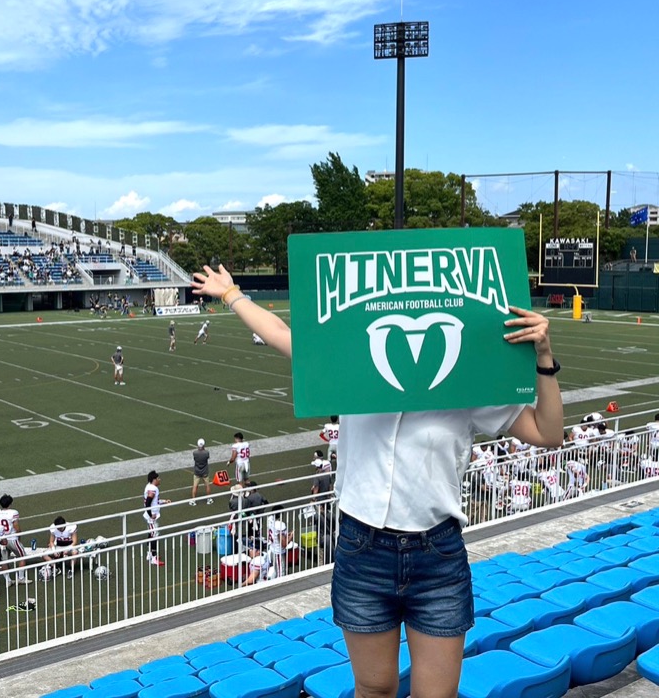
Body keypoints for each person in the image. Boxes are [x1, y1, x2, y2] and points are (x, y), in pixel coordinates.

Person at [191, 263, 564, 698]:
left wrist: (543, 358)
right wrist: (231, 293)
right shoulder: (352, 369)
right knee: (373, 689)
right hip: (362, 547)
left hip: (437, 553)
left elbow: (548, 432)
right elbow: (279, 332)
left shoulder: (465, 381)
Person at [0, 494, 30, 584]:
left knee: (4, 560)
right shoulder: (13, 512)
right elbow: (16, 528)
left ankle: (8, 580)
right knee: (22, 556)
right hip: (12, 539)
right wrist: (19, 537)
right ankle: (21, 578)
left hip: (2, 540)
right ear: (10, 504)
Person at [143, 471, 170, 566]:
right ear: (154, 480)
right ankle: (153, 558)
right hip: (152, 517)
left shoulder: (150, 486)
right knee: (154, 535)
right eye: (158, 478)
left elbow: (155, 501)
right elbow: (148, 503)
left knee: (151, 534)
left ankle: (149, 554)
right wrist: (151, 514)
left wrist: (164, 501)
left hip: (152, 515)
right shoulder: (153, 489)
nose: (159, 479)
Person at [266, 505, 292, 579]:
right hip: (278, 552)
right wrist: (291, 537)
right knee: (281, 575)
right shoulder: (279, 525)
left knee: (277, 570)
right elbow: (283, 544)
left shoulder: (270, 519)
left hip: (271, 549)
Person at [190, 438, 213, 506]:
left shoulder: (195, 453)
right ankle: (209, 499)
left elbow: (195, 459)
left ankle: (193, 500)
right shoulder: (206, 453)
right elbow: (207, 458)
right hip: (205, 471)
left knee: (195, 486)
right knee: (207, 486)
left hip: (197, 471)